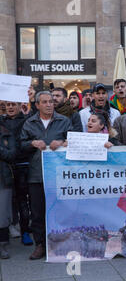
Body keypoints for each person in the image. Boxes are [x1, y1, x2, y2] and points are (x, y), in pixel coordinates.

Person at [20, 91, 72, 260]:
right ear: (37, 105)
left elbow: (75, 140)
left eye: (51, 101)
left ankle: (61, 242)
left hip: (59, 174)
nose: (49, 104)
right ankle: (40, 245)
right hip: (37, 174)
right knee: (37, 212)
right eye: (45, 102)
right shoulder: (29, 123)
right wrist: (32, 143)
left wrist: (63, 143)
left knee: (61, 209)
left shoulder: (64, 121)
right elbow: (21, 144)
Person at [1, 102, 33, 246]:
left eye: (14, 104)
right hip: (6, 166)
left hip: (22, 164)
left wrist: (29, 107)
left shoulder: (26, 119)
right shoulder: (2, 120)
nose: (10, 107)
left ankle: (25, 231)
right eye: (8, 104)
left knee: (22, 200)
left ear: (20, 106)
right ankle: (9, 227)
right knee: (8, 200)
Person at [0, 120, 17, 259]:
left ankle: (3, 244)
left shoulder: (6, 134)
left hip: (3, 178)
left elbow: (11, 155)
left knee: (2, 214)